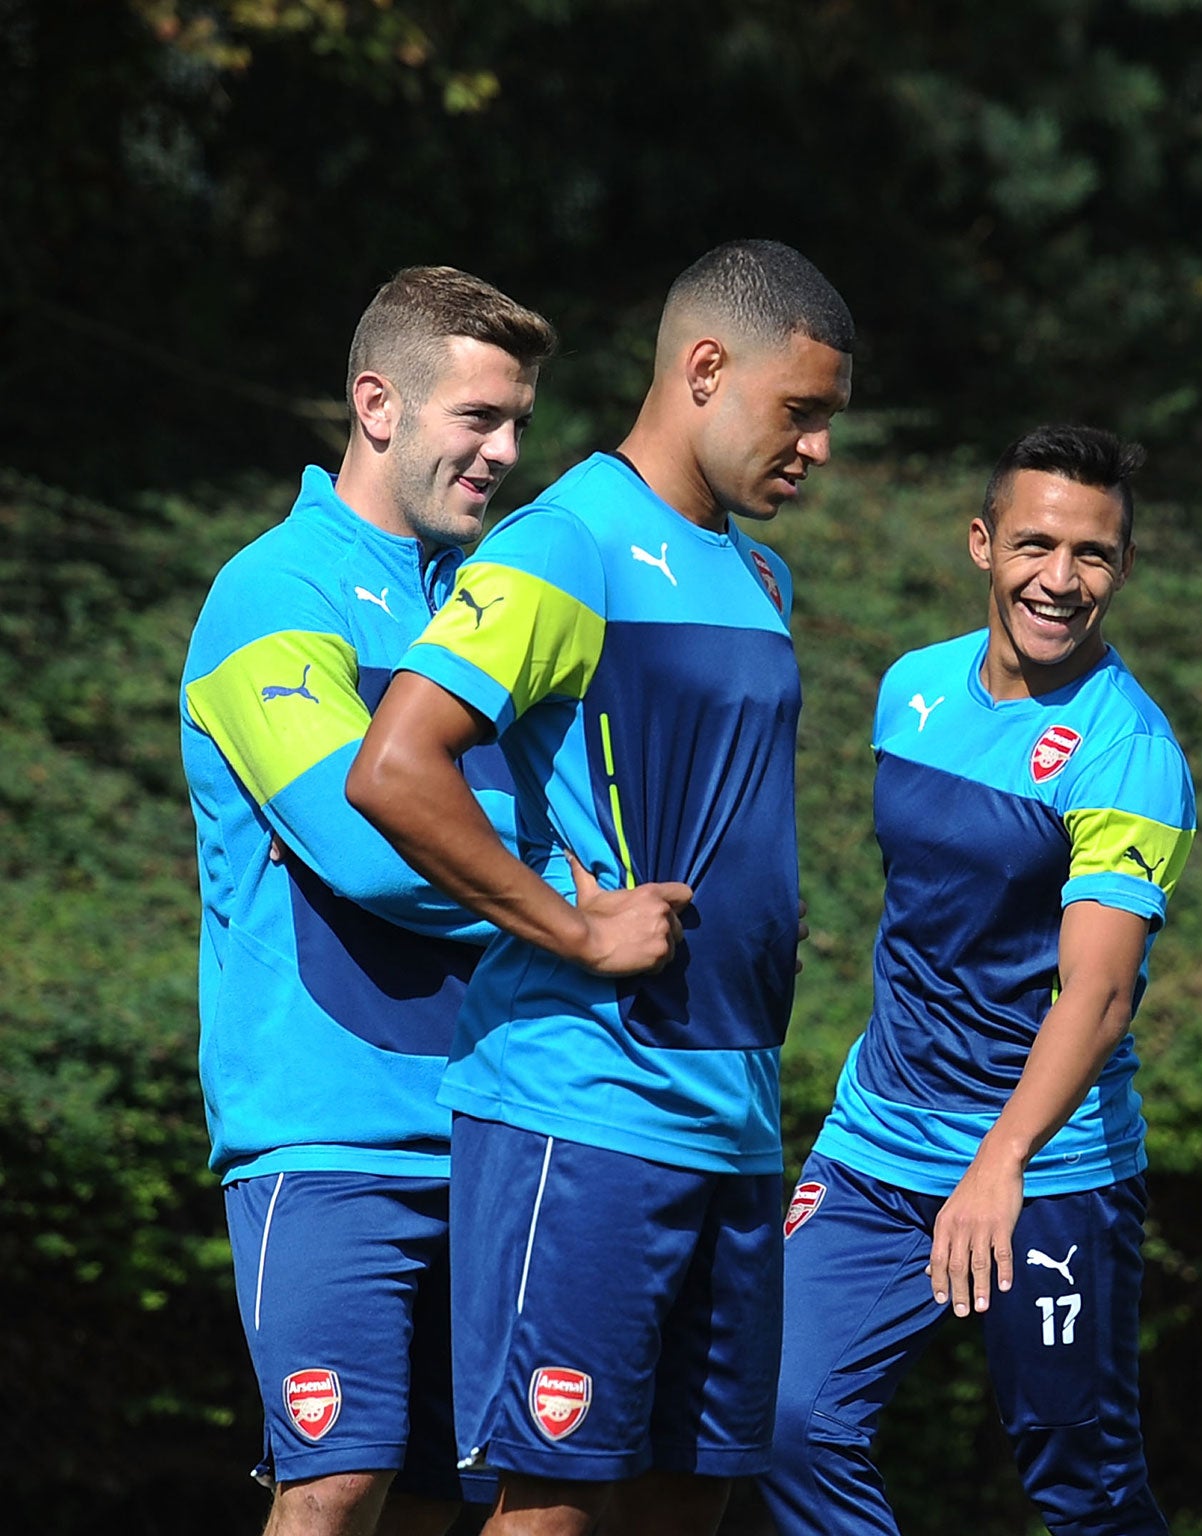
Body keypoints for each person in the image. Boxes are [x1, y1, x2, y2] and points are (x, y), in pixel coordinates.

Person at [345, 240, 854, 1536]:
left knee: (694, 1501)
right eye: (801, 413)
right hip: (584, 1108)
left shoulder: (759, 574)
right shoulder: (565, 543)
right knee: (553, 1509)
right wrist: (572, 926)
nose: (818, 450)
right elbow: (397, 767)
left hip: (733, 1113)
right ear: (702, 370)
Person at [756, 424, 1196, 1536]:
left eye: (1092, 554)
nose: (1059, 579)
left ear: (1121, 569)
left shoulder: (1127, 749)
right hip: (874, 1147)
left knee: (1079, 1489)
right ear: (980, 544)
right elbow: (922, 905)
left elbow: (1095, 994)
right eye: (1034, 544)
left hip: (1045, 1168)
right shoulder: (909, 690)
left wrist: (1001, 1160)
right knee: (780, 1417)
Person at [180, 266, 557, 1535]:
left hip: (506, 1122)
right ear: (377, 403)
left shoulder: (499, 602)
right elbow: (370, 841)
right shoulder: (270, 595)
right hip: (328, 1134)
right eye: (478, 419)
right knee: (335, 1486)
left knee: (505, 1499)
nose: (504, 453)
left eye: (517, 424)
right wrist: (568, 902)